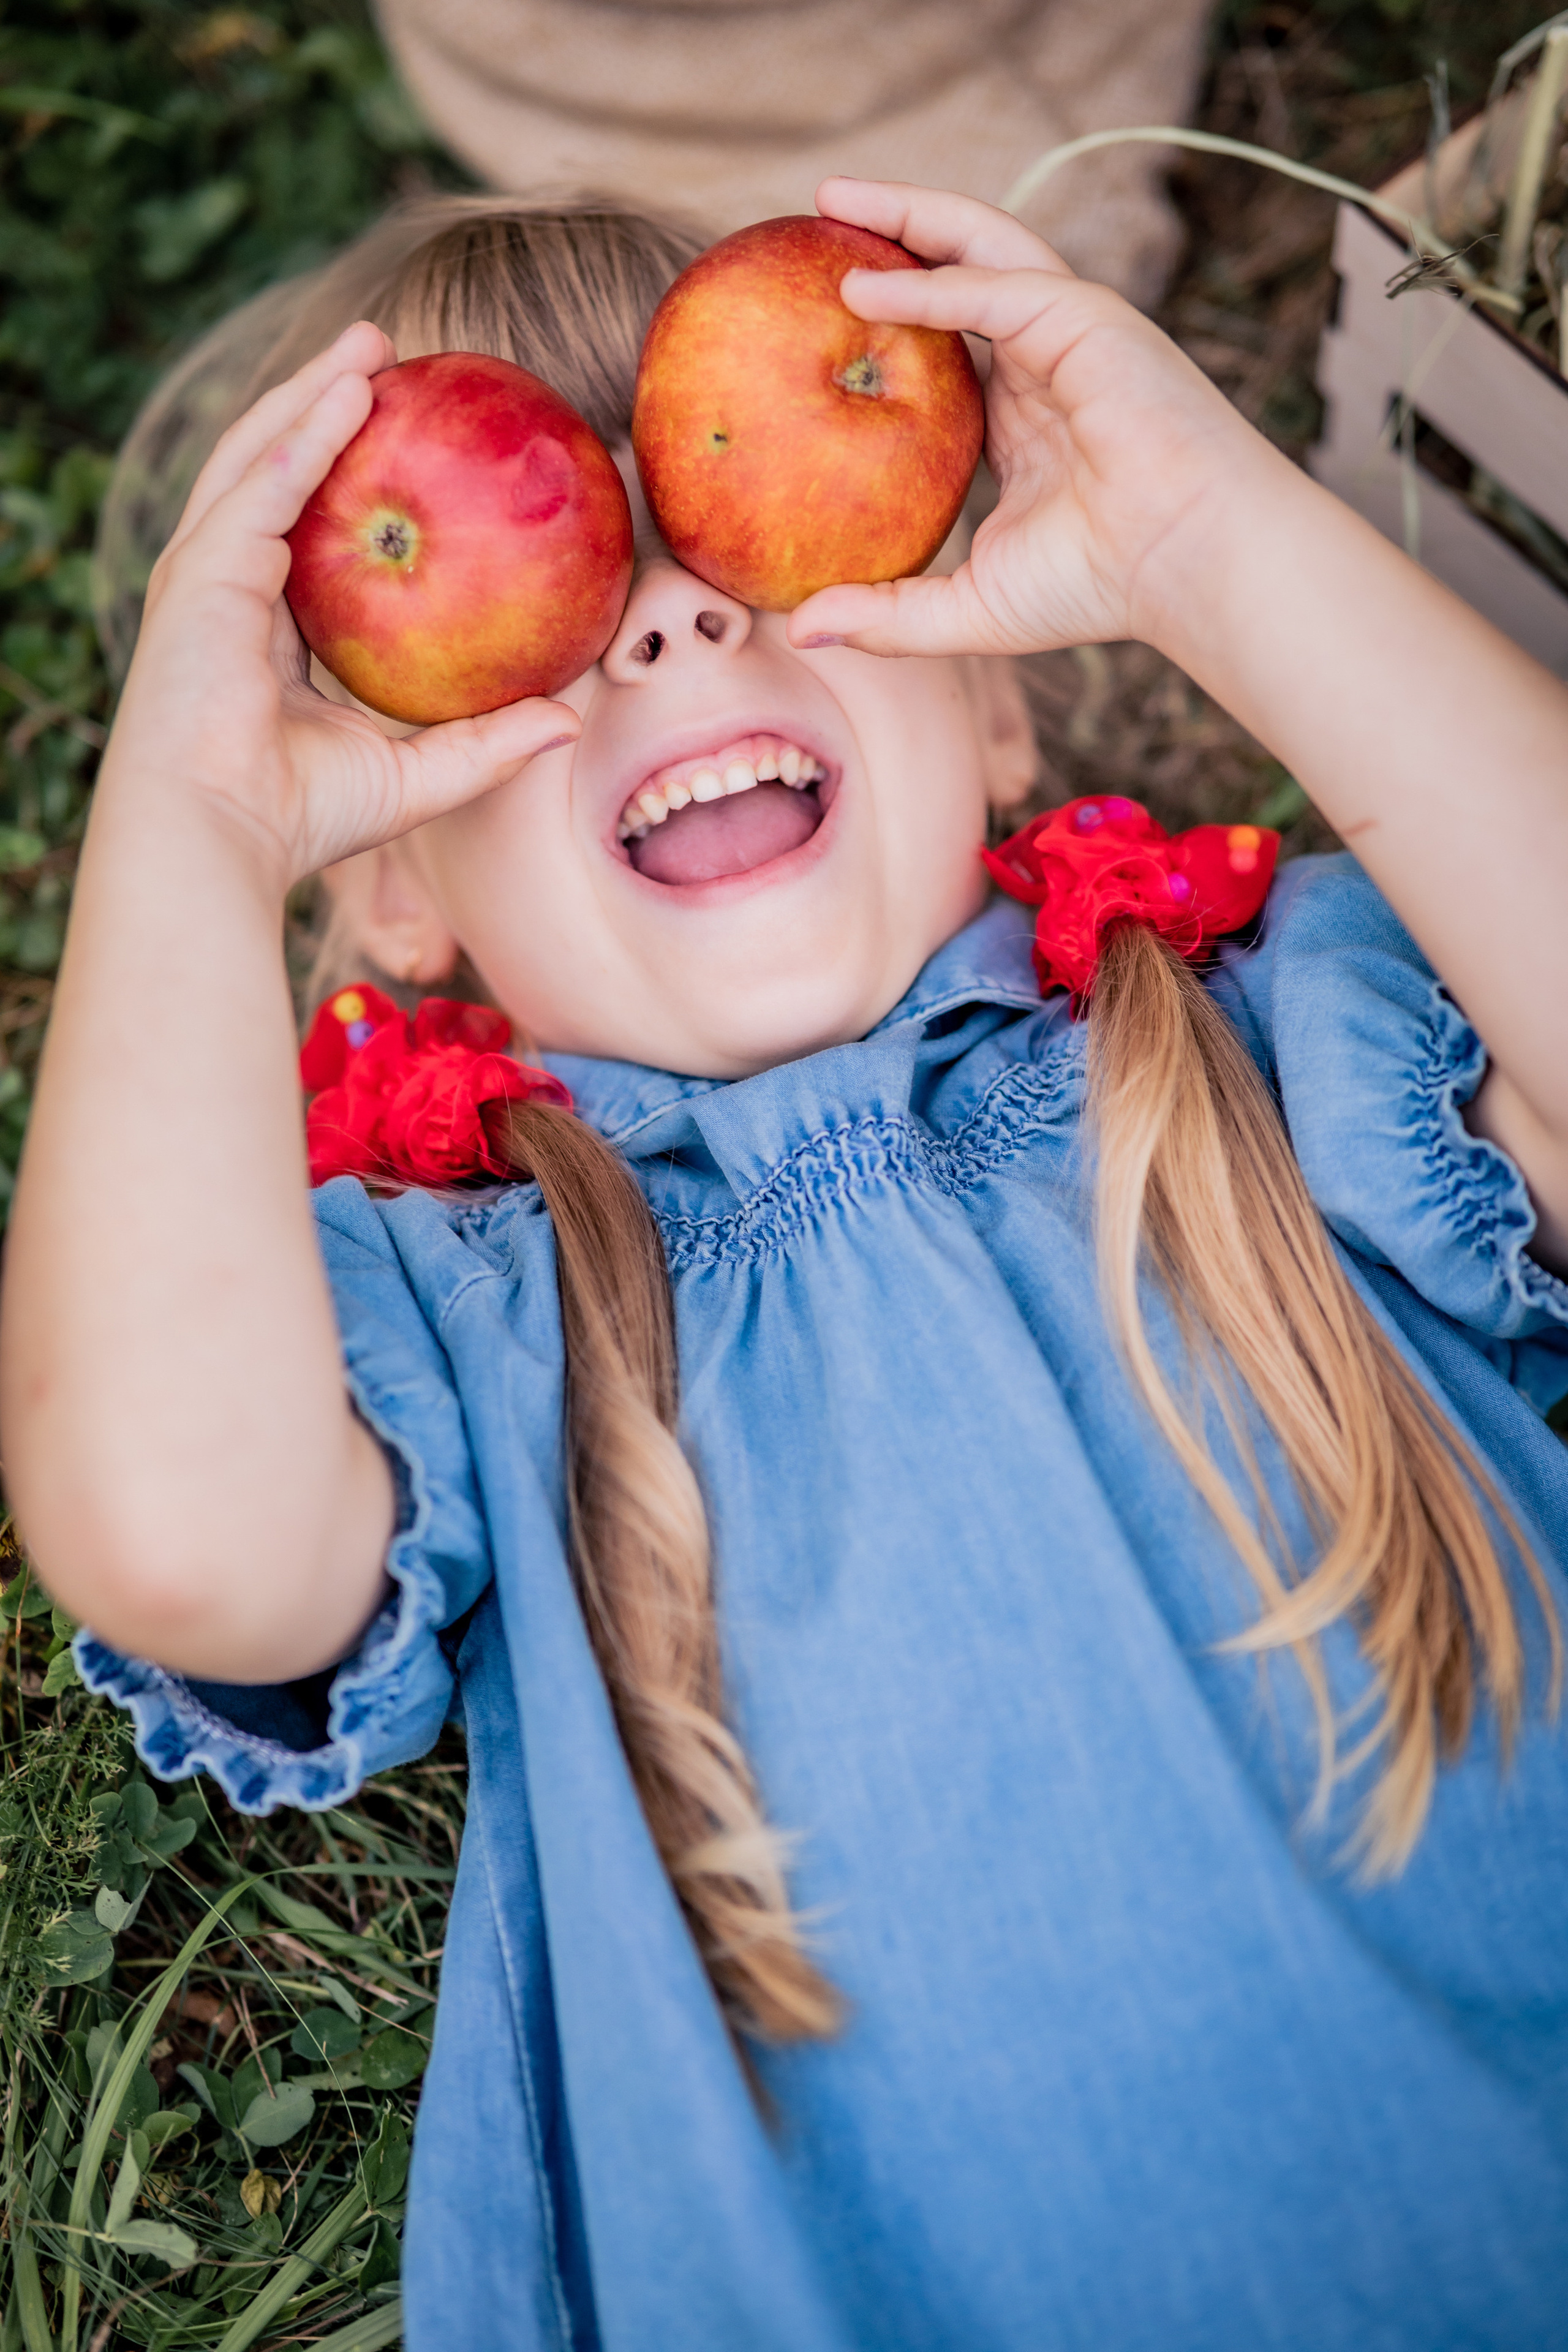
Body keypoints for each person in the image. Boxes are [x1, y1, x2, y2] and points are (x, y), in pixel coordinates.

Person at [6, 182, 1568, 2351]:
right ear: (392, 887)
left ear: (1003, 708)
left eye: (759, 545)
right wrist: (188, 810)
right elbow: (172, 1535)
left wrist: (1215, 541)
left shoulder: (1271, 1058)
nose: (662, 624)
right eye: (549, 617)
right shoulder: (477, 1321)